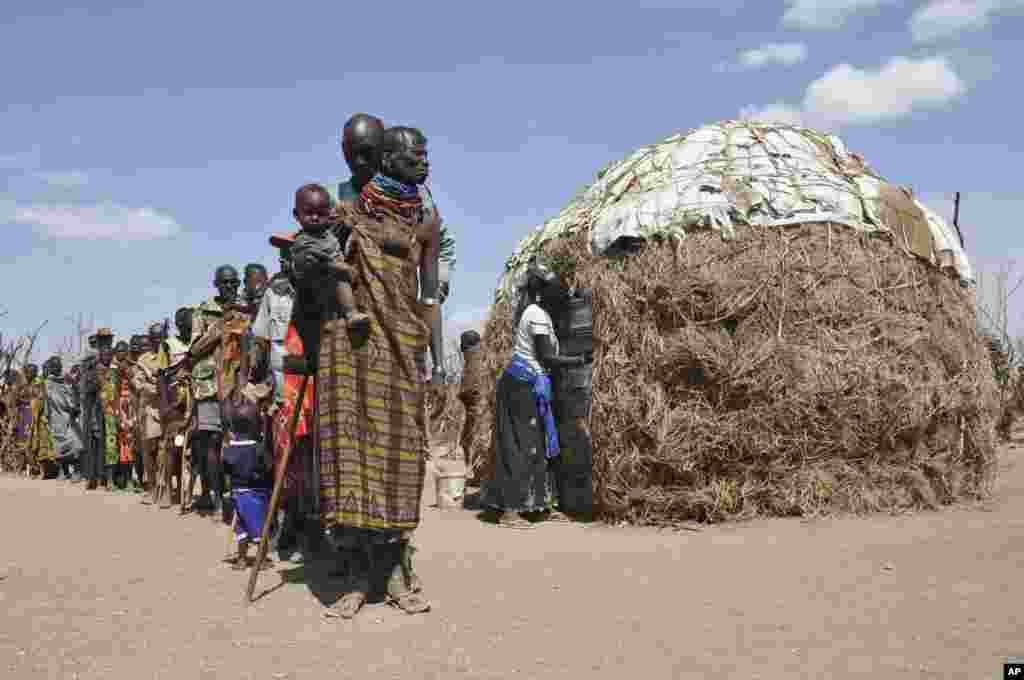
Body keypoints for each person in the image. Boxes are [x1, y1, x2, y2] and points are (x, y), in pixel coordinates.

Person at [311, 126, 442, 618]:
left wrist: (438, 355)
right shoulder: (346, 211)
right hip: (354, 344)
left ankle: (394, 574)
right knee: (355, 459)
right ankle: (357, 579)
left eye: (427, 154)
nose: (425, 162)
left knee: (401, 457)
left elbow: (429, 293)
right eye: (416, 155)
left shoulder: (427, 219)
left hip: (404, 343)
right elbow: (317, 271)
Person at [482, 255, 588, 529]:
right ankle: (510, 511)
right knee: (521, 445)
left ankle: (539, 505)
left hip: (530, 384)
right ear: (544, 292)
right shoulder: (536, 315)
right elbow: (548, 357)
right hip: (522, 385)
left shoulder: (538, 314)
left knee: (538, 444)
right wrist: (580, 360)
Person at [252, 233, 315, 563]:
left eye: (291, 252)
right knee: (285, 465)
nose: (284, 260)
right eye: (281, 255)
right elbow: (260, 342)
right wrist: (251, 386)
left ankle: (313, 533)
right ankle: (288, 529)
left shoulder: (320, 289)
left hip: (316, 390)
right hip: (283, 394)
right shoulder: (272, 293)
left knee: (313, 464)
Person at [187, 265, 239, 517]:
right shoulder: (202, 311)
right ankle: (217, 497)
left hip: (237, 384)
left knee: (238, 443)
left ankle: (238, 497)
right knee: (212, 443)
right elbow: (194, 348)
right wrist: (219, 328)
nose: (231, 287)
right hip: (209, 386)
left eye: (234, 283)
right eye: (226, 283)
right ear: (216, 284)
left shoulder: (244, 307)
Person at [291, 184, 370, 333]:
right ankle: (350, 313)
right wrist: (340, 266)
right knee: (340, 277)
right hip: (315, 287)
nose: (315, 218)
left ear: (328, 214)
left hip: (332, 283)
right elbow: (314, 263)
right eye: (309, 213)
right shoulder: (302, 240)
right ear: (296, 214)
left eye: (320, 213)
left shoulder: (329, 236)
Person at [221, 390, 274, 571]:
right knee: (260, 528)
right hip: (256, 495)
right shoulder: (258, 449)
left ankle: (242, 559)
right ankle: (262, 559)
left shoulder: (229, 450)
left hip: (237, 494)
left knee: (242, 528)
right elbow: (268, 466)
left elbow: (225, 469)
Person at [157, 307, 192, 508]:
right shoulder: (168, 346)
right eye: (186, 322)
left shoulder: (198, 342)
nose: (189, 325)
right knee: (174, 445)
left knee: (190, 448)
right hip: (175, 404)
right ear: (179, 324)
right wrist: (164, 404)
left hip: (194, 402)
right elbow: (161, 376)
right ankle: (171, 490)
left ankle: (184, 489)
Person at [133, 323, 164, 505]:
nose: (159, 340)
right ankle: (152, 489)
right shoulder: (143, 360)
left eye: (161, 336)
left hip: (170, 410)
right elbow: (138, 384)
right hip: (151, 410)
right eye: (155, 337)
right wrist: (155, 388)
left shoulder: (168, 355)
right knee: (149, 452)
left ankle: (166, 488)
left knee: (167, 451)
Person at [81, 328, 114, 489]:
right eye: (102, 339)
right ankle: (92, 477)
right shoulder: (90, 361)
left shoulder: (114, 358)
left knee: (110, 442)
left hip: (113, 406)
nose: (105, 341)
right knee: (94, 441)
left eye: (107, 338)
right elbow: (87, 386)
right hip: (95, 406)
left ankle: (108, 478)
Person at [49, 361, 83, 482]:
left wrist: (75, 407)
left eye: (56, 365)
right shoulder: (48, 382)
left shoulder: (68, 379)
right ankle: (64, 472)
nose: (54, 368)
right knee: (60, 446)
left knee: (75, 444)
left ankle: (77, 472)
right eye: (52, 366)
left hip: (71, 416)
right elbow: (49, 399)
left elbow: (75, 394)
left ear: (60, 367)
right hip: (57, 417)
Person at [112, 342, 137, 490]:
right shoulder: (114, 369)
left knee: (132, 445)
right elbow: (114, 393)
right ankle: (124, 480)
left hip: (132, 408)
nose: (122, 354)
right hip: (120, 409)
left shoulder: (132, 366)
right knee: (123, 446)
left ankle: (131, 479)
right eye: (119, 351)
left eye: (124, 351)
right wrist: (117, 413)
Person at [457, 330, 483, 470]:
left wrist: (463, 395)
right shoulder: (482, 355)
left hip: (476, 405)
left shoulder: (472, 356)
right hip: (480, 404)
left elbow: (468, 390)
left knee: (469, 439)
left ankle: (473, 469)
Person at [28, 362, 57, 479]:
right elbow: (36, 401)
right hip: (39, 419)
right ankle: (39, 470)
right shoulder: (38, 382)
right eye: (46, 368)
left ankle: (50, 471)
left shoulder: (52, 381)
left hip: (51, 418)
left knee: (50, 445)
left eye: (49, 369)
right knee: (39, 444)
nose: (48, 371)